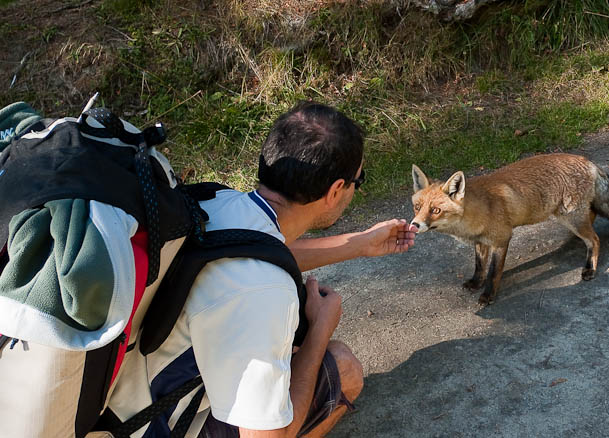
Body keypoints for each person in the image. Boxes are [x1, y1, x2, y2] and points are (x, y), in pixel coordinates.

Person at [105, 101, 417, 437]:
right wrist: (319, 332)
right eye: (359, 180)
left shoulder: (213, 201)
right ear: (335, 190)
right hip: (150, 429)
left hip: (114, 409)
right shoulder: (267, 293)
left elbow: (258, 249)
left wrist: (360, 243)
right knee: (342, 368)